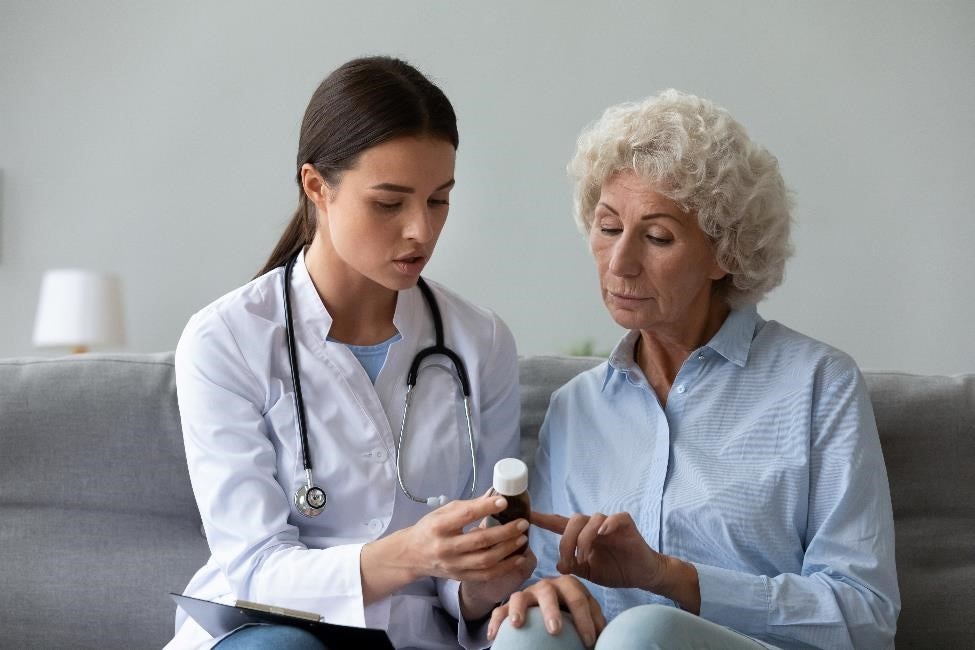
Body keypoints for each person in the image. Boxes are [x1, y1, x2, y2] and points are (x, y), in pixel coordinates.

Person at [487, 90, 900, 649]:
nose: (620, 262)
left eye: (657, 236)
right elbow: (542, 577)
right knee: (530, 630)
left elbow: (864, 615)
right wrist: (534, 595)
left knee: (644, 631)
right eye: (608, 228)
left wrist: (669, 577)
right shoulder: (576, 407)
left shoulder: (818, 385)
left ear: (725, 253)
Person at [167, 56, 534, 650]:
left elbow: (466, 576)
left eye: (438, 200)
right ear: (317, 187)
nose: (421, 230)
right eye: (390, 203)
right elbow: (255, 566)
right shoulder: (225, 340)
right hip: (273, 632)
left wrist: (489, 577)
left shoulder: (480, 342)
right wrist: (409, 554)